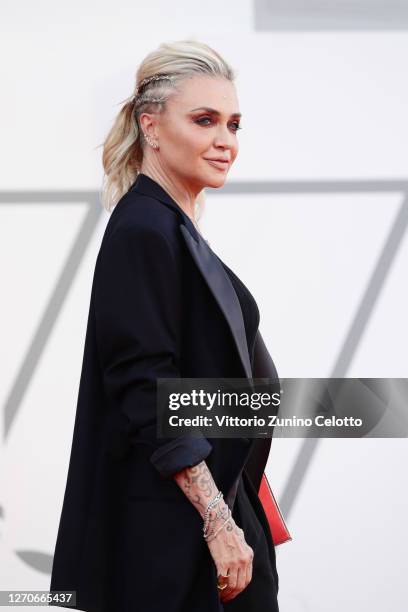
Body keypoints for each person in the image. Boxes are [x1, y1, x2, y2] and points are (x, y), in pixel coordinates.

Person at [49, 39, 280, 612]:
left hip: (201, 523)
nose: (225, 140)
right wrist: (219, 521)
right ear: (150, 125)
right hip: (172, 540)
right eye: (204, 120)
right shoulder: (143, 230)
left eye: (233, 124)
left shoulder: (169, 227)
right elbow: (146, 388)